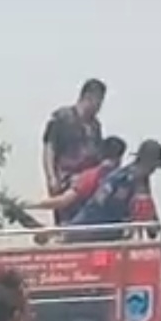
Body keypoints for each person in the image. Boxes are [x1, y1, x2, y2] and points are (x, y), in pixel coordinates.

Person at [64, 139, 161, 239]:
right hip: (88, 230)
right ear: (145, 162)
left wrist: (155, 228)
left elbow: (148, 210)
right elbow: (110, 208)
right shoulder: (123, 180)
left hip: (110, 232)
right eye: (152, 166)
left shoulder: (141, 180)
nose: (153, 170)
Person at [42, 80, 107, 224]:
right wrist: (51, 177)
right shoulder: (62, 118)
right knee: (66, 219)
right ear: (88, 97)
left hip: (88, 183)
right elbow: (49, 148)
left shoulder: (95, 126)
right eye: (98, 101)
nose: (99, 107)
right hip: (66, 179)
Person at [26, 135, 127, 224]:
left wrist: (30, 205)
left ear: (101, 154)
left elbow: (62, 201)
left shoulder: (90, 177)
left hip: (86, 232)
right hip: (115, 232)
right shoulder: (125, 179)